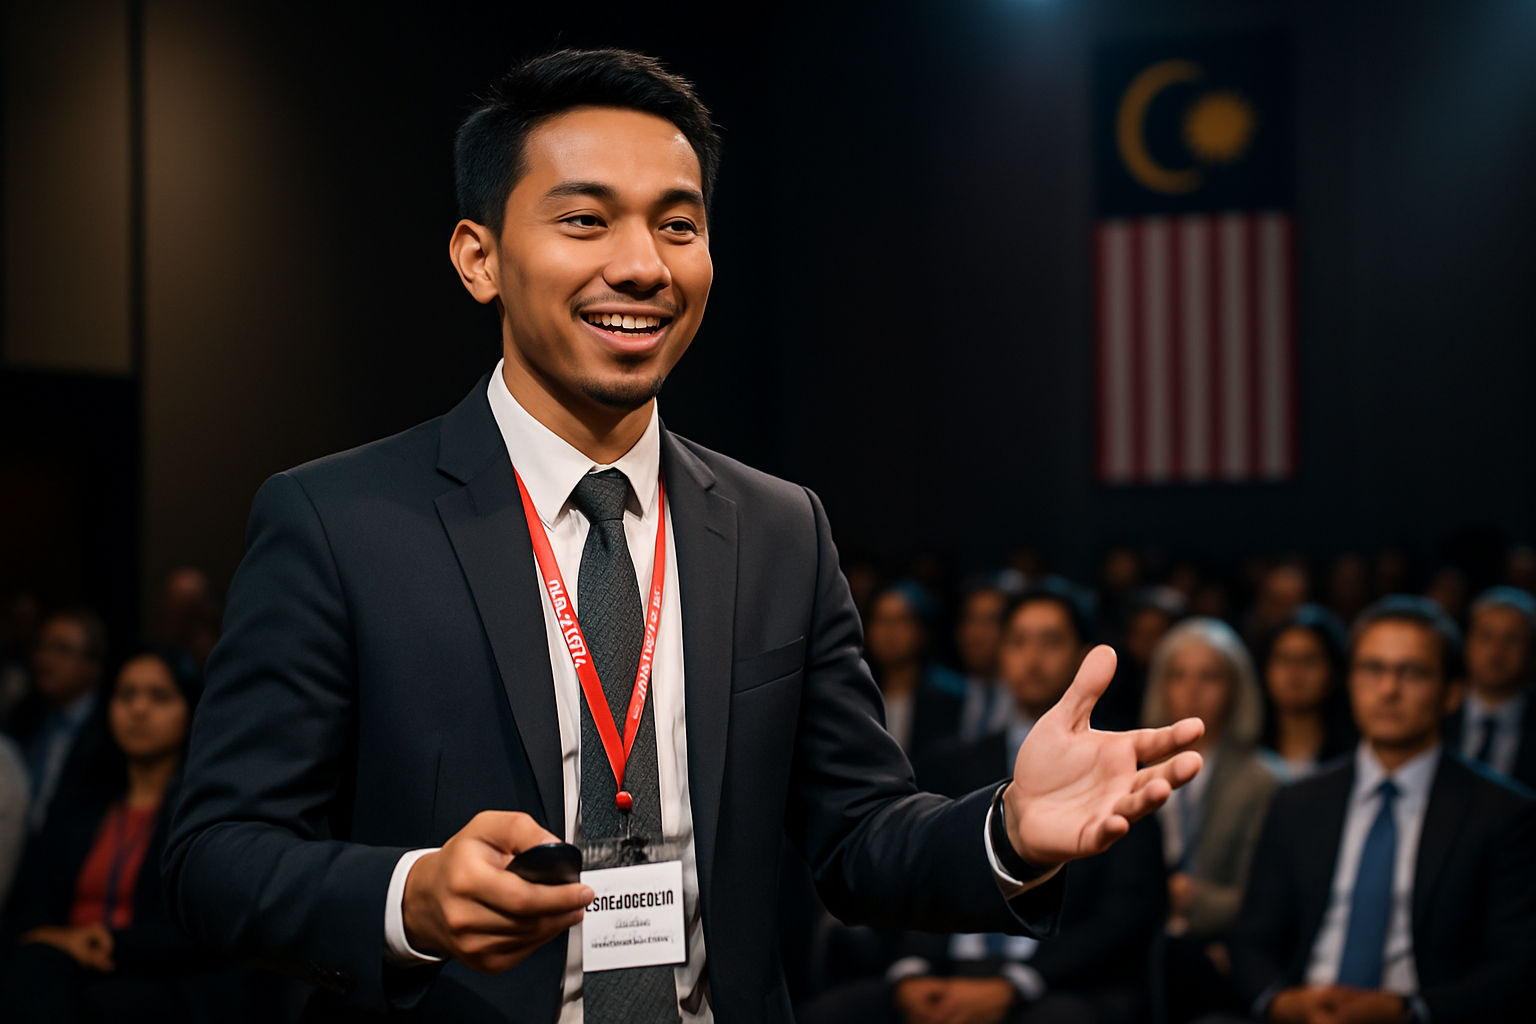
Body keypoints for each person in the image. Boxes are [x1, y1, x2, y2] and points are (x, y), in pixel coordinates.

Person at [163, 49, 1203, 1023]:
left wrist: (1007, 829)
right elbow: (213, 858)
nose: (642, 265)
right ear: (480, 258)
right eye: (585, 221)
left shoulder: (779, 527)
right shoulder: (340, 523)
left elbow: (858, 837)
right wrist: (411, 896)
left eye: (678, 225)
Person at [1226, 597, 1536, 1024]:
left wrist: (1405, 1011)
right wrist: (1282, 1002)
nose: (1388, 689)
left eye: (1413, 672)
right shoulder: (1297, 801)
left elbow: (1515, 967)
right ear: (1350, 681)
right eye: (1373, 669)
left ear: (1452, 693)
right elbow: (1252, 939)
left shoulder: (1503, 813)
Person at [0, 647, 219, 1022]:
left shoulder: (203, 813)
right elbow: (28, 907)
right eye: (126, 695)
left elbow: (207, 928)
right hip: (61, 964)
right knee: (33, 970)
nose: (139, 709)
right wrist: (66, 940)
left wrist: (111, 942)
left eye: (159, 697)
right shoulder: (79, 806)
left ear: (190, 710)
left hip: (158, 975)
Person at [1140, 618, 1278, 1022]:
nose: (1192, 690)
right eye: (1178, 675)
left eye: (1210, 677)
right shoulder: (1134, 770)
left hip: (1215, 952)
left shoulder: (1263, 781)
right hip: (1140, 943)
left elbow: (1263, 899)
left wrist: (1192, 900)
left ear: (1236, 687)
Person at [5, 607, 110, 834]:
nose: (45, 659)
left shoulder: (110, 728)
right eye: (41, 647)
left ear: (93, 666)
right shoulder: (23, 717)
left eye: (62, 649)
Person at [1442, 586, 1536, 789]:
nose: (1496, 651)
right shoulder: (1437, 712)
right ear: (1467, 642)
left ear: (1531, 651)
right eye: (1485, 636)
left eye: (1511, 639)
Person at [863, 581, 968, 760]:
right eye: (880, 620)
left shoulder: (949, 695)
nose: (889, 632)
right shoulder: (858, 692)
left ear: (922, 630)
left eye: (901, 620)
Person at [1257, 606, 1357, 782]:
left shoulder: (1354, 756)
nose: (1294, 672)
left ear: (1335, 672)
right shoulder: (1245, 752)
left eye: (1309, 660)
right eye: (1283, 658)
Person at [952, 575, 1024, 743]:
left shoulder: (1031, 697)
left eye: (990, 620)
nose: (977, 633)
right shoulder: (945, 696)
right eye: (970, 619)